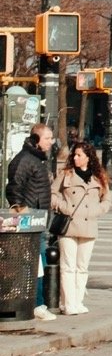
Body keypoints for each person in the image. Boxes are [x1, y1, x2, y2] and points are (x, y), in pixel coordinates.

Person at [50, 141, 110, 315]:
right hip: (69, 225)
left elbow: (106, 200)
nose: (75, 158)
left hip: (89, 225)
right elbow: (53, 193)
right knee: (68, 266)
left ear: (88, 158)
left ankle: (78, 301)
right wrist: (62, 206)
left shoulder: (99, 177)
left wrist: (96, 211)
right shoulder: (65, 174)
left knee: (82, 267)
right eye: (74, 155)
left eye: (79, 155)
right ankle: (68, 304)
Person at [6, 123, 56, 321]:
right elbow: (13, 188)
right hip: (30, 222)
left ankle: (35, 302)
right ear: (36, 139)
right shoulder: (26, 160)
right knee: (36, 264)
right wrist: (23, 211)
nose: (51, 142)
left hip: (38, 220)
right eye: (47, 138)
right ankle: (36, 304)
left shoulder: (36, 160)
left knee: (38, 262)